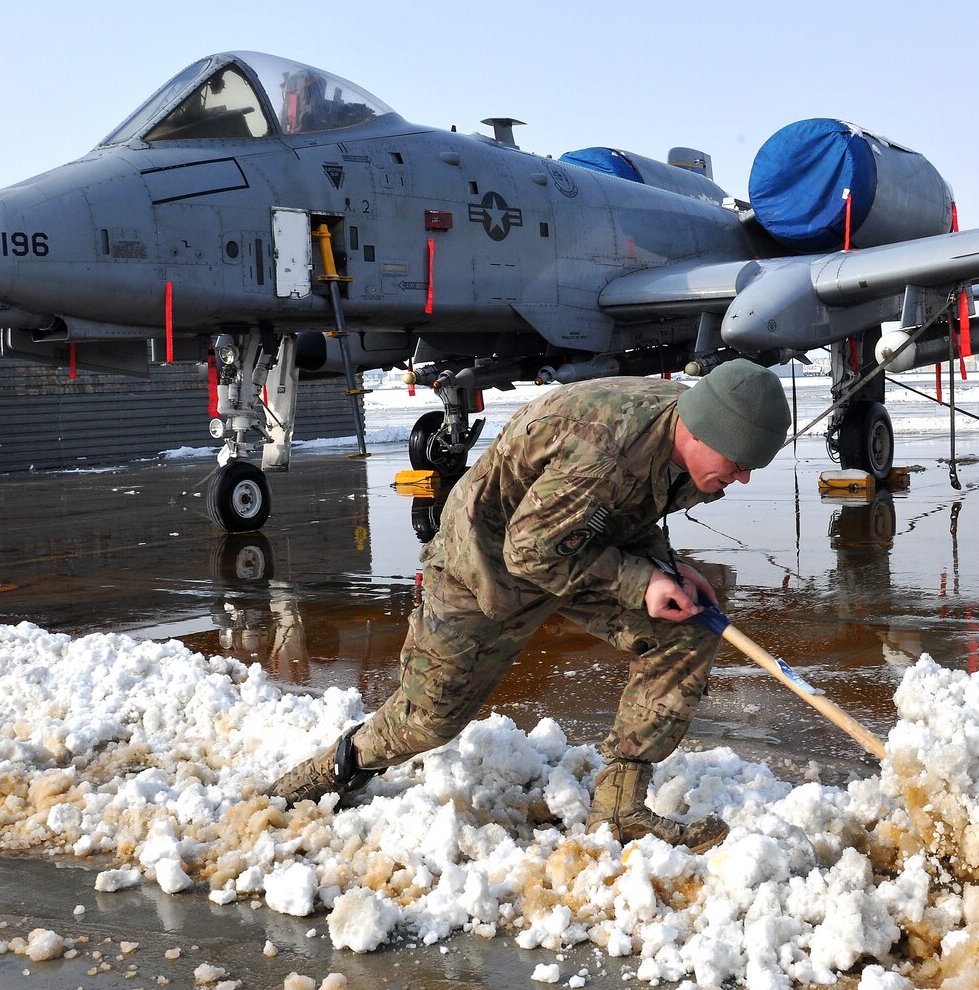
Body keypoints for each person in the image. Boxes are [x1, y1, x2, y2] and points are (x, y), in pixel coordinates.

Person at [270, 359, 791, 852]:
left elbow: (622, 511)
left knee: (688, 626)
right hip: (488, 565)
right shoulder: (608, 446)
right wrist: (640, 582)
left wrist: (667, 569)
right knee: (427, 720)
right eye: (739, 463)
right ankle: (322, 775)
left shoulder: (688, 427)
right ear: (700, 433)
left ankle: (617, 811)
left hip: (570, 545)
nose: (743, 478)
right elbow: (530, 552)